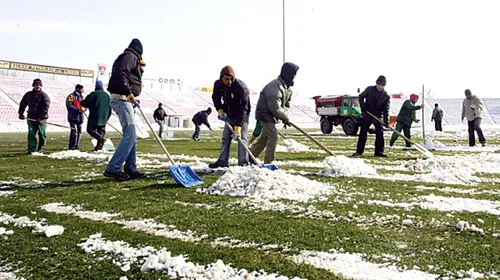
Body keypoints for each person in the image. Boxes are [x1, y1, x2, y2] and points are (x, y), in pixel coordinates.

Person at [104, 38, 146, 180]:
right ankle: (113, 168)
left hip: (125, 99)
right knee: (130, 133)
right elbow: (121, 73)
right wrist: (129, 92)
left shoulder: (130, 57)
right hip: (122, 98)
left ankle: (131, 168)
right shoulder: (130, 57)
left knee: (131, 135)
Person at [250, 62, 299, 163]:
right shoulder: (275, 86)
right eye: (294, 73)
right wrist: (284, 117)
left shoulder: (288, 88)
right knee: (273, 136)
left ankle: (249, 157)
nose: (295, 76)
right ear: (289, 74)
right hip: (264, 114)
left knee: (264, 138)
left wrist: (285, 116)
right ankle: (269, 162)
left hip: (273, 115)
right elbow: (274, 107)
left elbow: (286, 105)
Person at [208, 66, 251, 168]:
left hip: (242, 115)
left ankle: (243, 163)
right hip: (229, 114)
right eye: (226, 79)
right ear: (221, 78)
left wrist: (237, 127)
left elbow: (243, 109)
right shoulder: (218, 84)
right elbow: (216, 97)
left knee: (242, 138)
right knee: (225, 138)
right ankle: (222, 162)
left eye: (231, 79)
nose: (229, 82)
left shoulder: (240, 87)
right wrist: (220, 110)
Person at [352, 75, 390, 157]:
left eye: (382, 85)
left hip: (377, 116)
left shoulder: (386, 96)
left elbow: (386, 109)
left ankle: (379, 152)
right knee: (363, 133)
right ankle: (359, 151)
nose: (380, 86)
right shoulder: (369, 89)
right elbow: (361, 97)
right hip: (367, 114)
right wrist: (363, 108)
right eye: (379, 84)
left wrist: (386, 121)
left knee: (380, 133)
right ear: (377, 83)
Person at [18, 78, 51, 155]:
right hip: (31, 117)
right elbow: (23, 103)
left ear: (41, 86)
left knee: (42, 134)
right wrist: (21, 113)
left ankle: (40, 149)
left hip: (41, 119)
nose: (38, 86)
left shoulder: (44, 96)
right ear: (33, 85)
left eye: (39, 85)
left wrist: (41, 117)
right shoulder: (28, 94)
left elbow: (45, 108)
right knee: (31, 133)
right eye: (36, 84)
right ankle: (31, 149)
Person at [81, 80, 111, 152]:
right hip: (104, 117)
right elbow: (110, 108)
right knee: (101, 131)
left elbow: (84, 103)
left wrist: (83, 101)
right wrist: (107, 117)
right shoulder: (107, 95)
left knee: (90, 130)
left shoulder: (93, 94)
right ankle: (98, 148)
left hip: (94, 116)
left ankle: (100, 139)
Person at [66, 84, 86, 150]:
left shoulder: (82, 97)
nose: (83, 91)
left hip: (80, 117)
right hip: (72, 117)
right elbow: (69, 105)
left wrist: (84, 109)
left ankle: (77, 145)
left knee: (79, 132)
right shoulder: (70, 96)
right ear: (77, 89)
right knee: (73, 132)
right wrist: (77, 110)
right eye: (82, 89)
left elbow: (85, 105)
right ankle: (72, 146)